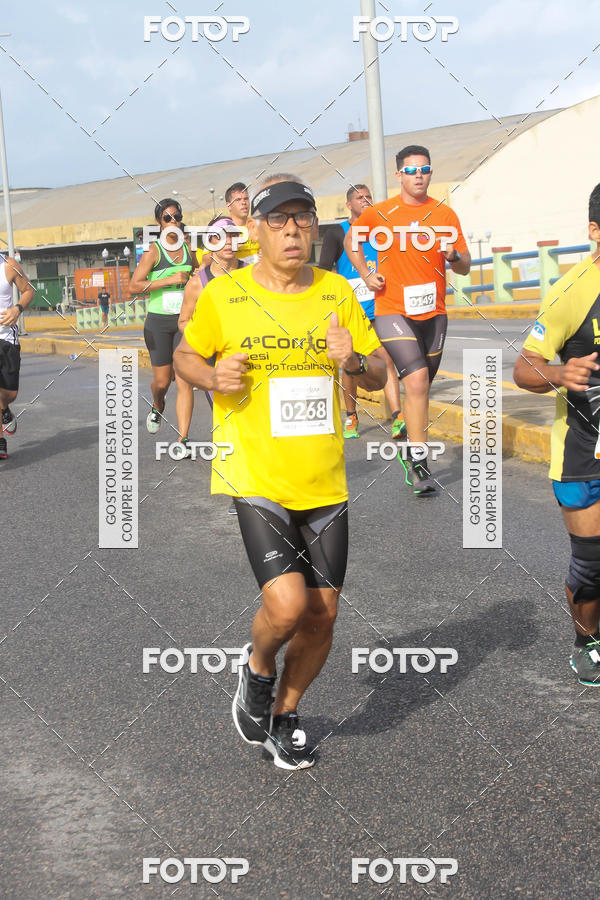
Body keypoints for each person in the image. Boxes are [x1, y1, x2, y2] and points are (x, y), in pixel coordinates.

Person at [174, 174, 386, 768]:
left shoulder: (336, 292)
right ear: (256, 231)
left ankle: (284, 714)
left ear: (314, 228)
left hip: (324, 480)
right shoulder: (226, 295)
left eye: (302, 219)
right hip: (255, 474)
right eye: (278, 220)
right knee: (289, 607)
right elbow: (185, 355)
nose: (292, 230)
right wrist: (211, 376)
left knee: (323, 616)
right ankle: (258, 667)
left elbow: (378, 373)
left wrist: (353, 359)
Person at [345, 145, 471, 494]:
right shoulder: (381, 213)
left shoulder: (445, 215)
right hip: (392, 310)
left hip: (434, 313)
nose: (419, 176)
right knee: (415, 381)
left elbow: (465, 266)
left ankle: (411, 446)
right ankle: (419, 463)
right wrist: (366, 273)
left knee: (422, 385)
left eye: (425, 169)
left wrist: (453, 255)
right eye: (412, 170)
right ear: (399, 174)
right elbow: (351, 239)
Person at [514, 183, 600, 686]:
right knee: (591, 566)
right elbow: (525, 368)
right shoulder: (572, 292)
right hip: (584, 451)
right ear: (594, 231)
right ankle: (587, 642)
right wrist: (561, 374)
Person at [319, 183, 405, 440]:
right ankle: (351, 415)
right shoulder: (337, 233)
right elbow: (324, 270)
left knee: (387, 359)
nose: (366, 200)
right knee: (351, 362)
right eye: (360, 198)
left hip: (381, 306)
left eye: (369, 197)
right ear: (349, 204)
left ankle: (398, 416)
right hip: (352, 310)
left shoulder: (382, 231)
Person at [129, 198, 195, 454]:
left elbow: (201, 274)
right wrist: (169, 280)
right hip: (158, 323)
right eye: (168, 218)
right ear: (159, 222)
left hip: (184, 323)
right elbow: (134, 286)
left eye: (177, 217)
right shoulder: (154, 252)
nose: (173, 221)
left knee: (184, 378)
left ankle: (183, 438)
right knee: (162, 382)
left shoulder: (188, 248)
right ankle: (158, 405)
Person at [0, 254, 34, 459]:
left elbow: (29, 290)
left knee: (10, 394)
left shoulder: (9, 265)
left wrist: (17, 309)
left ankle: (4, 407)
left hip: (6, 338)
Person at [196, 182, 260, 269]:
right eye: (238, 200)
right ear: (228, 205)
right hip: (233, 275)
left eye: (246, 199)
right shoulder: (221, 228)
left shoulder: (259, 225)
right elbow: (205, 262)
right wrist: (227, 247)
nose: (243, 202)